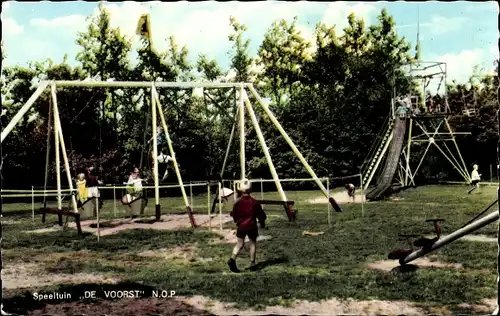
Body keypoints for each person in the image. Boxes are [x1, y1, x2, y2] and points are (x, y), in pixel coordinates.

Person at [227, 179, 267, 273]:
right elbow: (261, 215)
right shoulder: (254, 202)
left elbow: (234, 214)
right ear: (251, 190)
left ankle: (232, 258)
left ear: (241, 190)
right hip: (251, 226)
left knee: (239, 244)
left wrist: (237, 222)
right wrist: (262, 221)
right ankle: (252, 264)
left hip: (241, 226)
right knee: (252, 243)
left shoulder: (237, 202)